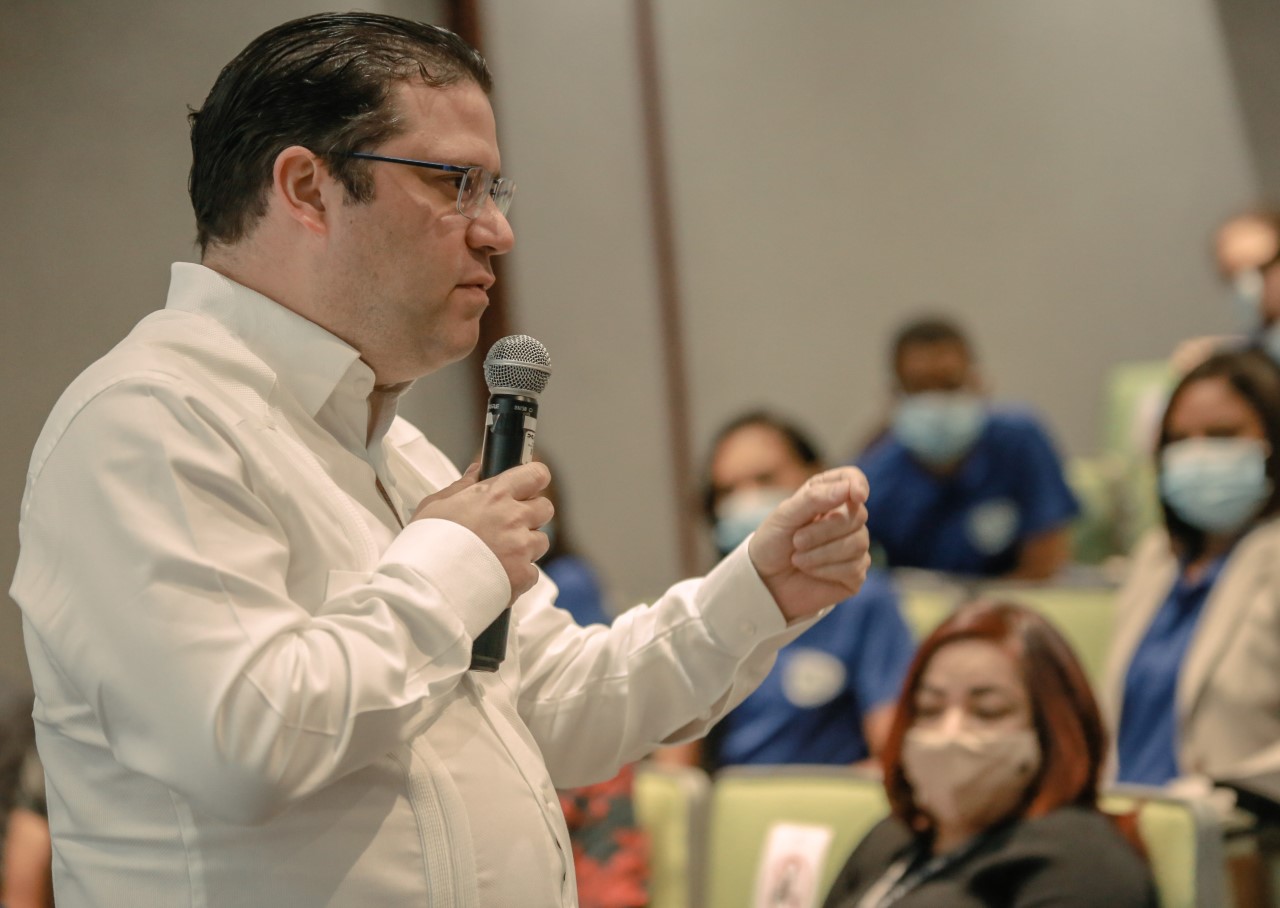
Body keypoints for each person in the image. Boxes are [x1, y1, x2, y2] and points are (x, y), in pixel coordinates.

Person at [8, 14, 872, 907]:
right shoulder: (148, 420)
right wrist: (452, 562)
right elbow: (241, 741)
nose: (495, 230)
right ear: (307, 188)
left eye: (496, 190)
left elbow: (564, 709)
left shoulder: (393, 449)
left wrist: (755, 593)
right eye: (455, 183)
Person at [822, 600, 1156, 908]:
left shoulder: (1082, 861)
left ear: (1053, 731)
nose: (950, 734)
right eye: (929, 709)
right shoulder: (893, 836)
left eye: (988, 711)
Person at [697, 412, 915, 769]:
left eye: (764, 479)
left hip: (830, 798)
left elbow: (891, 756)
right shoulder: (706, 604)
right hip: (732, 795)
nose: (746, 501)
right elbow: (675, 773)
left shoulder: (864, 600)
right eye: (727, 491)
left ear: (816, 478)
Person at [1105, 349, 1280, 788]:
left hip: (1239, 822)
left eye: (1222, 435)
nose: (1198, 454)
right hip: (1123, 814)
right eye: (1179, 440)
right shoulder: (1156, 559)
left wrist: (1229, 794)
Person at [855, 316, 1079, 579]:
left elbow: (1046, 564)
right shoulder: (876, 472)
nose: (935, 401)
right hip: (915, 602)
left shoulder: (1021, 442)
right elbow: (852, 570)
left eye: (949, 384)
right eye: (919, 388)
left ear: (977, 383)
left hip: (1015, 599)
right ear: (895, 396)